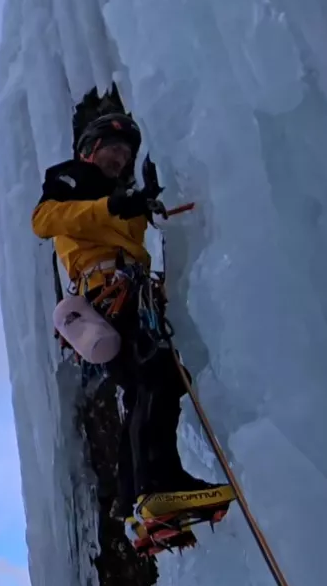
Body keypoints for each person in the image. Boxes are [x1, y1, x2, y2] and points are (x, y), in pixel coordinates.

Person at [31, 108, 226, 530]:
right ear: (90, 149)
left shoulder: (123, 197)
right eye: (113, 150)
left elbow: (140, 222)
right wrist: (114, 204)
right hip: (106, 293)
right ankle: (158, 488)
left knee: (149, 385)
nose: (120, 159)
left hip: (132, 293)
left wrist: (148, 200)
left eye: (125, 154)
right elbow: (44, 220)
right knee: (155, 374)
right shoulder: (71, 178)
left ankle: (134, 499)